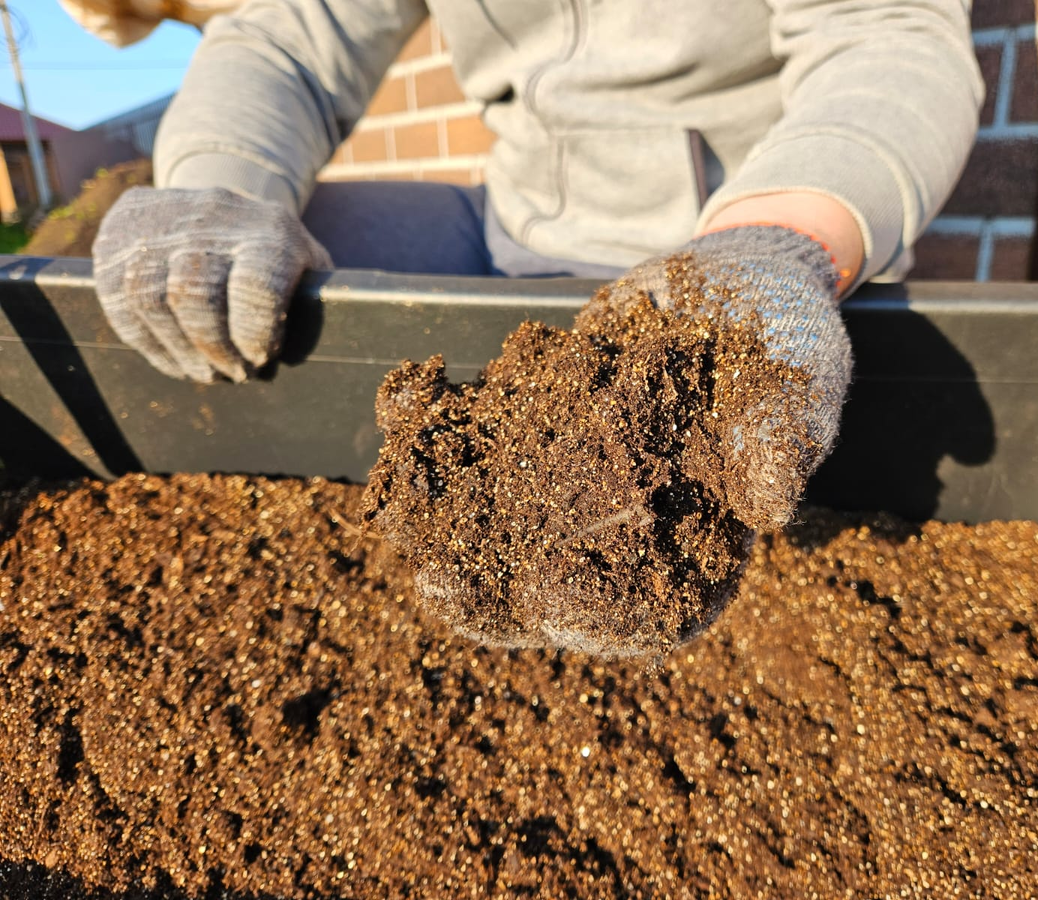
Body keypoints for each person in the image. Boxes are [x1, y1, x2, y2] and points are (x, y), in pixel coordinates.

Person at [74, 0, 981, 643]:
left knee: (781, 401)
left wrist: (782, 240)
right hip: (518, 219)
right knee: (266, 254)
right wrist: (218, 182)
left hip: (741, 227)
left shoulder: (764, 237)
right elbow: (290, 39)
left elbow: (887, 34)